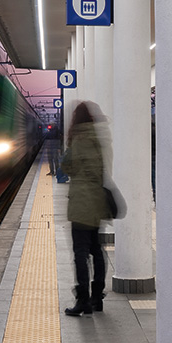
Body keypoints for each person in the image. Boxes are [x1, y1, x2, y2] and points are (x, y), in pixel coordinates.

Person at [60, 100, 111, 316]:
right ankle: (97, 297)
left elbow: (67, 165)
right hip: (97, 198)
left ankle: (83, 300)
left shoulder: (79, 138)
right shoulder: (101, 136)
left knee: (80, 252)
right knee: (96, 249)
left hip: (82, 201)